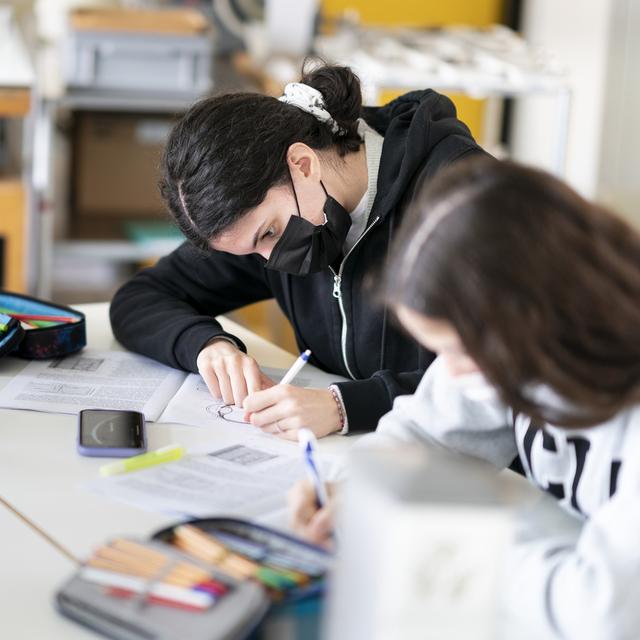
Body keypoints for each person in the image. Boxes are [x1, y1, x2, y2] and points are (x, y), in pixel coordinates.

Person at [289, 157, 640, 637]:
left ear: (535, 314)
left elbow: (601, 613)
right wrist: (359, 487)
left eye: (461, 350)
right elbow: (420, 432)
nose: (448, 372)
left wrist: (449, 541)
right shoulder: (520, 345)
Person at [110, 63, 486, 439]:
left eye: (268, 233)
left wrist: (345, 407)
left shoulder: (462, 200)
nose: (272, 259)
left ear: (303, 164)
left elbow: (497, 377)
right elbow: (139, 298)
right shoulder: (265, 220)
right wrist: (207, 345)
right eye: (250, 252)